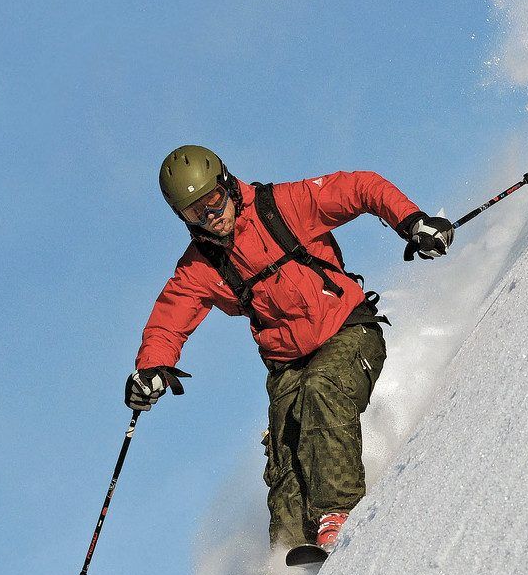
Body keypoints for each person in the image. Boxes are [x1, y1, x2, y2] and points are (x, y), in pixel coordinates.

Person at [126, 145, 453, 554]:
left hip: (347, 331)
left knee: (323, 389)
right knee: (285, 454)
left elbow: (360, 187)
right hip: (286, 367)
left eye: (212, 200)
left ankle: (339, 514)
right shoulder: (201, 265)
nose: (211, 214)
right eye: (196, 212)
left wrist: (413, 221)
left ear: (226, 184)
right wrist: (151, 367)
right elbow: (169, 318)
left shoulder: (282, 207)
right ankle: (288, 574)